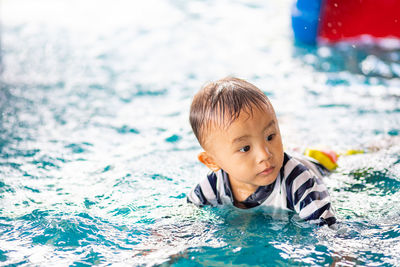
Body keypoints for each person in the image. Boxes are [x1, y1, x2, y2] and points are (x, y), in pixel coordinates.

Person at [187, 77, 337, 226]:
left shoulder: (298, 181)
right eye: (245, 148)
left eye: (270, 136)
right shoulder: (212, 186)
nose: (265, 155)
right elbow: (186, 222)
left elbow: (328, 230)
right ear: (212, 161)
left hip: (320, 164)